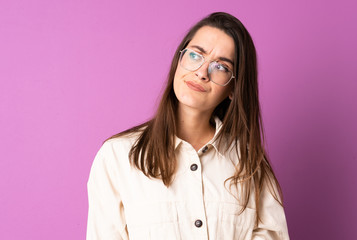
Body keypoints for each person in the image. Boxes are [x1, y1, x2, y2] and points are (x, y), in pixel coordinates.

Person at [86, 12, 289, 240]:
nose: (201, 72)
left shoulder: (251, 165)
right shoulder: (118, 157)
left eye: (220, 67)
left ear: (234, 88)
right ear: (178, 62)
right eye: (195, 55)